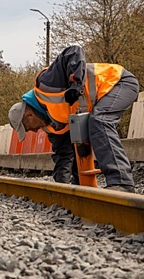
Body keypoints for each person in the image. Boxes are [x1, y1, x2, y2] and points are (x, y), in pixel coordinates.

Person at [8, 45, 139, 193]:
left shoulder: (46, 84)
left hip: (119, 82)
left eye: (27, 128)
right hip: (103, 97)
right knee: (78, 142)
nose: (33, 131)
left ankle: (122, 183)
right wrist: (62, 190)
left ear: (28, 115)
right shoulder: (52, 125)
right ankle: (82, 189)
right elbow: (62, 156)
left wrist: (76, 84)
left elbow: (74, 51)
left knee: (100, 121)